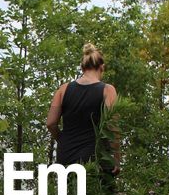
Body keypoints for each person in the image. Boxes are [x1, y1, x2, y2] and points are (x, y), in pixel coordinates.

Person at [46, 42, 120, 177]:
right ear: (101, 67)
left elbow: (50, 123)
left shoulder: (63, 89)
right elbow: (113, 127)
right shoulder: (108, 90)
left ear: (82, 68)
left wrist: (62, 140)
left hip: (67, 156)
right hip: (97, 158)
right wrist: (116, 158)